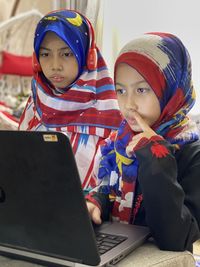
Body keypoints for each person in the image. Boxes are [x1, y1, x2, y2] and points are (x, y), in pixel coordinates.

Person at [86, 32, 200, 252]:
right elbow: (113, 193)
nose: (129, 104)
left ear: (171, 90)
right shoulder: (119, 143)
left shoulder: (192, 154)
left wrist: (155, 155)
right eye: (120, 90)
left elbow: (177, 237)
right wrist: (97, 201)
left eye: (141, 89)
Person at [18, 9, 122, 189]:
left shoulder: (113, 114)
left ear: (87, 57)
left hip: (89, 214)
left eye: (66, 54)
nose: (55, 66)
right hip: (31, 207)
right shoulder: (35, 104)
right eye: (45, 54)